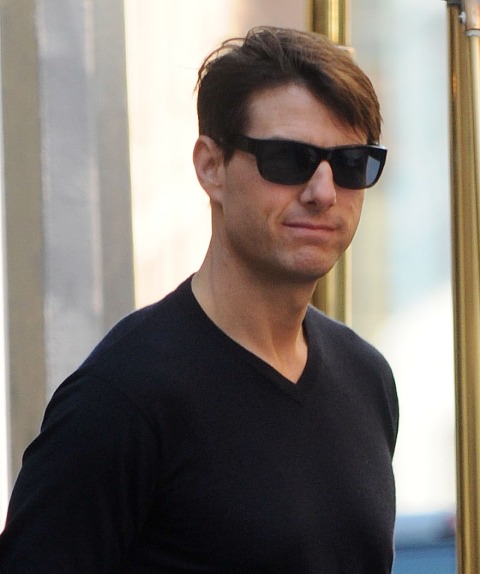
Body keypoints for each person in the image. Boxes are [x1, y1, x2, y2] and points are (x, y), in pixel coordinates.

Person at [0, 26, 398, 573]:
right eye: (288, 159)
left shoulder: (366, 378)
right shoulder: (120, 400)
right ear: (211, 167)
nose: (323, 192)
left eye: (352, 163)